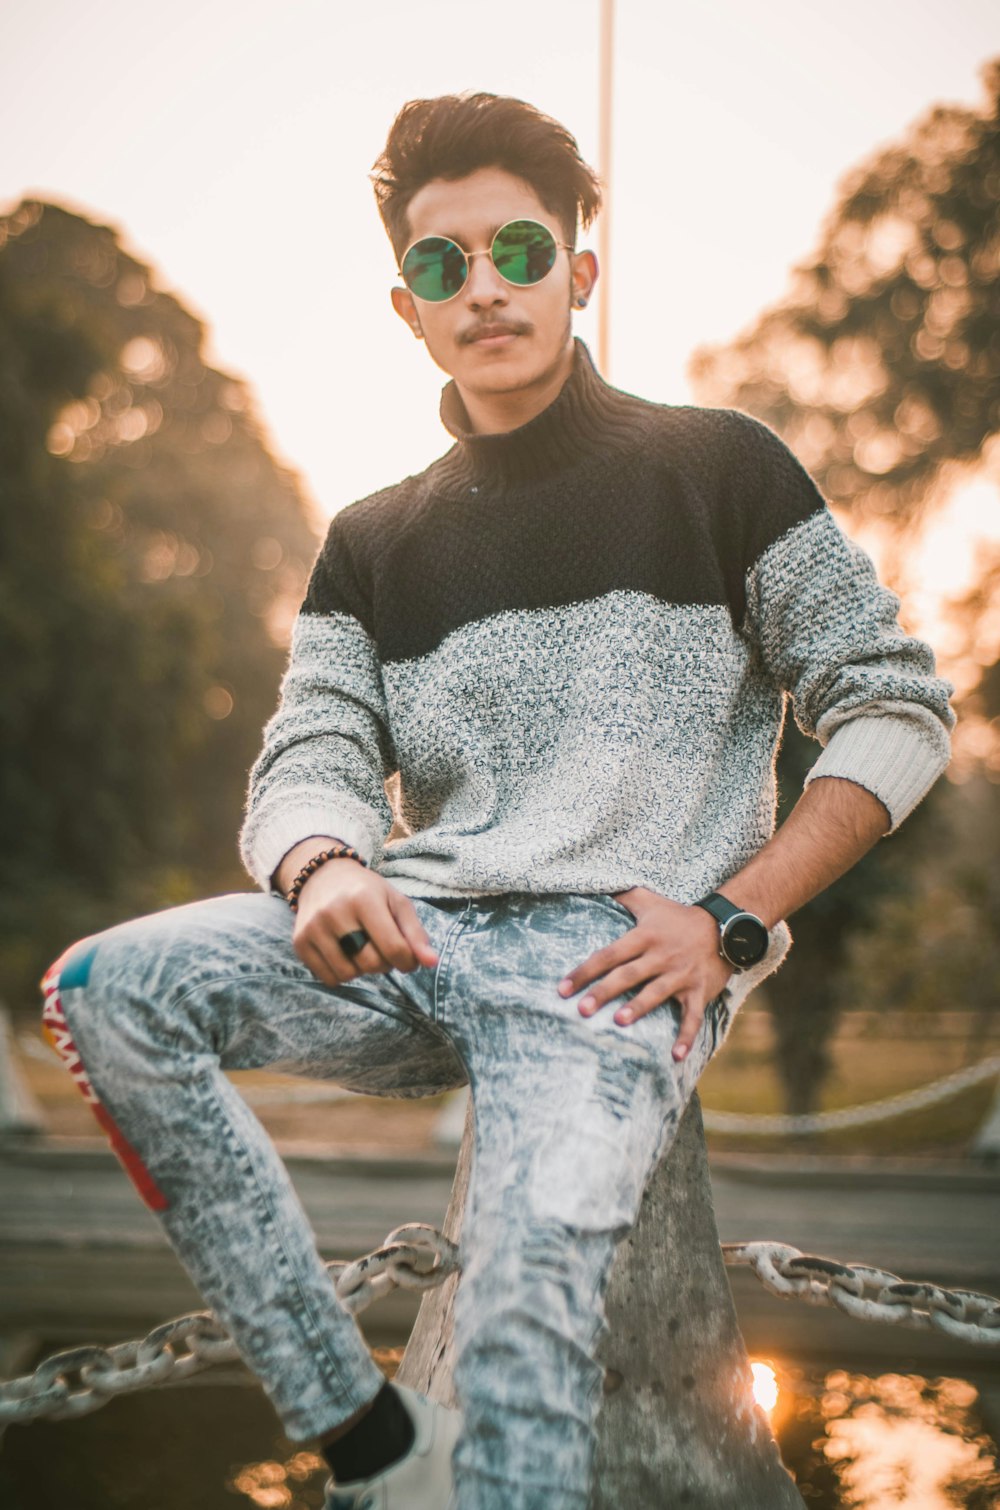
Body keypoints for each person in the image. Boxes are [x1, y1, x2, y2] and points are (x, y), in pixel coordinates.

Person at [40, 90, 955, 1510]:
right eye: (442, 264)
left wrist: (734, 917)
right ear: (402, 302)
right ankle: (368, 1440)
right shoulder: (372, 541)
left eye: (520, 253)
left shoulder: (720, 468)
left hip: (614, 968)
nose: (485, 289)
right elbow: (307, 758)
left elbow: (895, 706)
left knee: (527, 1343)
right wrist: (325, 862)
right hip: (415, 927)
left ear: (580, 272)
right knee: (105, 987)